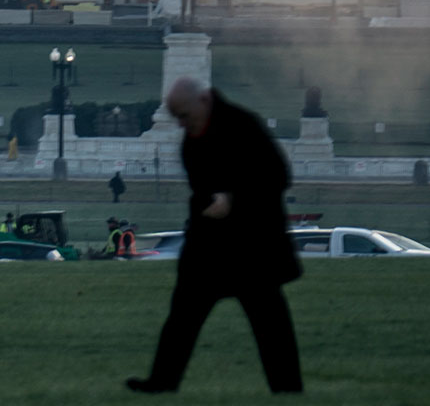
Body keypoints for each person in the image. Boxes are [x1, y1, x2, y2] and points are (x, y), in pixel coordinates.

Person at [126, 77, 301, 396]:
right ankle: (162, 383)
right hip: (210, 249)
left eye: (184, 115)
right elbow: (201, 190)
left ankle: (288, 389)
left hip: (253, 246)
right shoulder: (190, 142)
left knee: (271, 326)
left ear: (204, 101)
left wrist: (234, 198)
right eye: (176, 117)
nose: (181, 124)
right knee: (181, 319)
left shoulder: (245, 125)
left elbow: (277, 174)